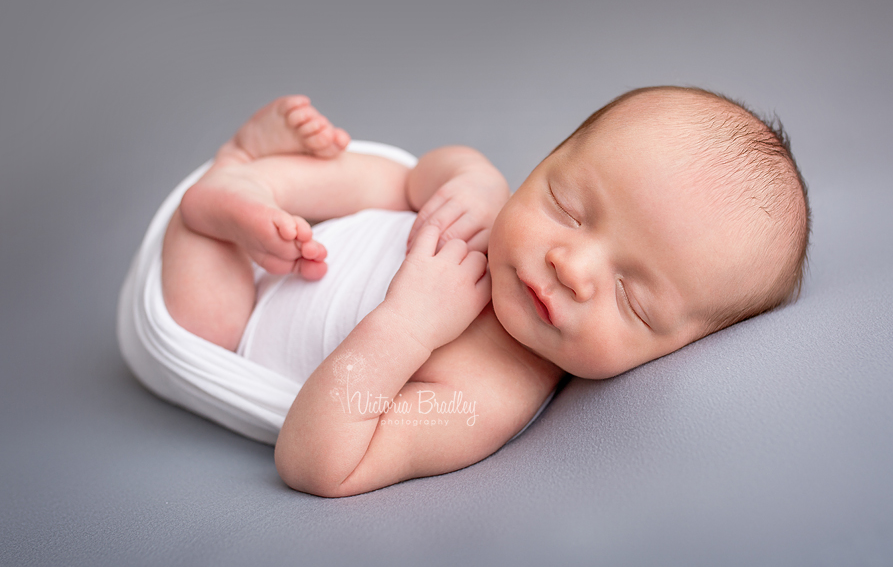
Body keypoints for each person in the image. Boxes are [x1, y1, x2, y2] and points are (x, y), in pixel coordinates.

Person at [160, 86, 810, 497]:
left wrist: (408, 324)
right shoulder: (494, 216)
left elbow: (316, 462)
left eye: (631, 298)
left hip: (245, 323)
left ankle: (223, 188)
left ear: (678, 348)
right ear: (545, 162)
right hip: (311, 234)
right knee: (402, 178)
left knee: (207, 320)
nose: (570, 266)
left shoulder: (487, 395)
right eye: (568, 207)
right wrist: (472, 178)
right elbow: (430, 172)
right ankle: (252, 176)